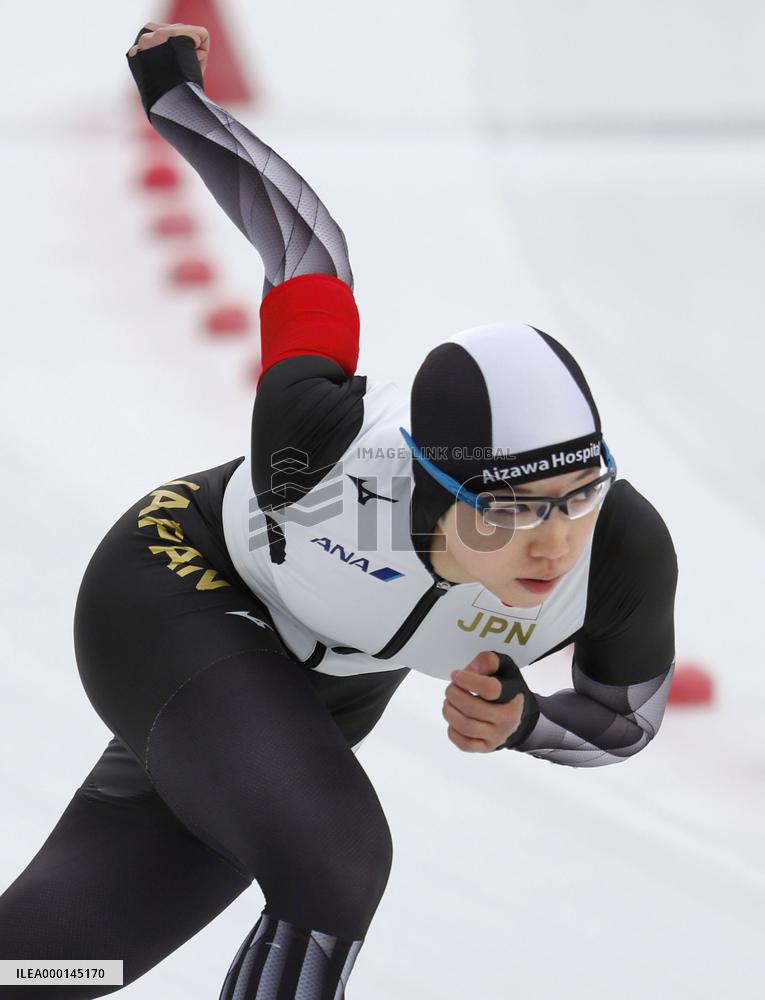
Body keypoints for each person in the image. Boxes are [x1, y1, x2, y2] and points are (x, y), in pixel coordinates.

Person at [0, 20, 679, 1000]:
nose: (554, 539)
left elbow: (625, 716)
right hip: (178, 592)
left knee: (54, 961)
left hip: (319, 690)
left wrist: (526, 719)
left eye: (580, 494)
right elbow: (305, 246)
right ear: (427, 490)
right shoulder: (315, 454)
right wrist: (174, 94)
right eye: (512, 509)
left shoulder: (618, 554)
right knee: (335, 856)